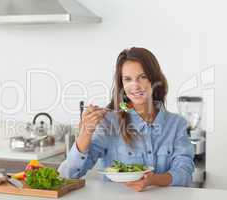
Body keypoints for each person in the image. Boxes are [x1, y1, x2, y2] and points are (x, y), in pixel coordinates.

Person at [58, 47, 194, 192]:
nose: (135, 85)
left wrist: (153, 180)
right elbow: (67, 176)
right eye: (128, 79)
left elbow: (184, 173)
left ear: (155, 80)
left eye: (143, 77)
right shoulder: (109, 122)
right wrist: (85, 133)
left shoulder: (176, 124)